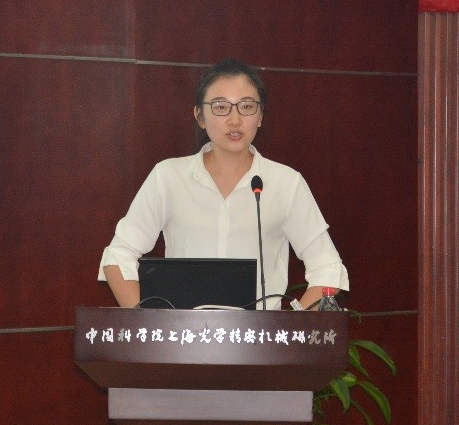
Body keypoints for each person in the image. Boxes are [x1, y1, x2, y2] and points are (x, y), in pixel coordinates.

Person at [97, 57, 348, 310]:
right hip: (183, 332)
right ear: (200, 116)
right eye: (220, 107)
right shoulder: (168, 177)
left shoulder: (286, 183)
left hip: (260, 333)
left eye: (246, 106)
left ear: (260, 116)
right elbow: (118, 256)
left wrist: (290, 327)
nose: (235, 119)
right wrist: (152, 324)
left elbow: (327, 268)